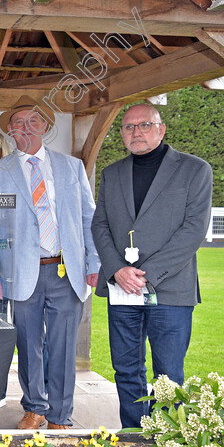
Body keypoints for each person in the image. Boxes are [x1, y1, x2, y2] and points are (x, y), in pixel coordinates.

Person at [91, 103, 212, 429]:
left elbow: (193, 230)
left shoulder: (194, 170)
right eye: (129, 127)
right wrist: (118, 269)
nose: (136, 132)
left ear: (160, 129)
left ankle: (165, 440)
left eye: (144, 125)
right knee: (126, 368)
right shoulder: (112, 173)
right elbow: (99, 225)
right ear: (122, 135)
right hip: (122, 289)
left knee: (168, 372)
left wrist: (147, 275)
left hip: (170, 290)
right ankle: (133, 435)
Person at [0, 95, 99, 430]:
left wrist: (93, 262)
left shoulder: (71, 167)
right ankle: (35, 407)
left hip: (66, 270)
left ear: (45, 127)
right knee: (28, 343)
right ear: (10, 131)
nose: (26, 127)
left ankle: (61, 414)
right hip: (21, 272)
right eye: (18, 122)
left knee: (62, 346)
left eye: (34, 121)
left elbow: (88, 217)